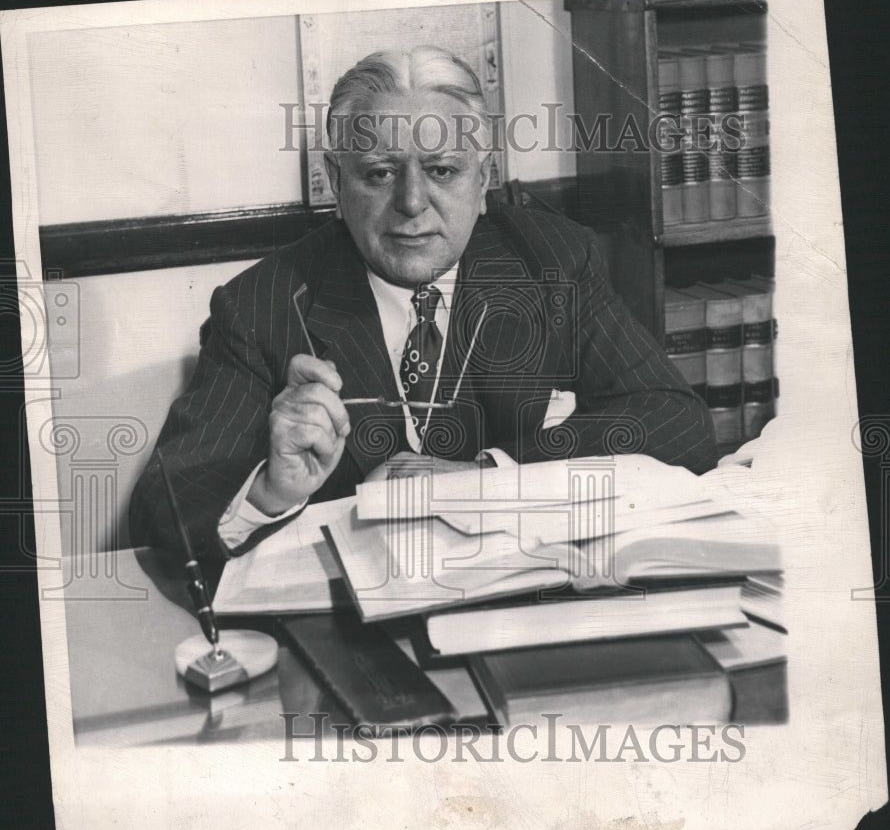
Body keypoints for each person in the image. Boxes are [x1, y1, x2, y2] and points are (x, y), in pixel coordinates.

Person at [130, 45, 718, 563]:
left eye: (441, 170)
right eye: (380, 173)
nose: (412, 203)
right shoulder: (262, 305)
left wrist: (484, 477)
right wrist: (270, 492)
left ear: (484, 178)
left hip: (524, 600)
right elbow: (166, 506)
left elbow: (676, 422)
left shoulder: (552, 261)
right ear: (336, 182)